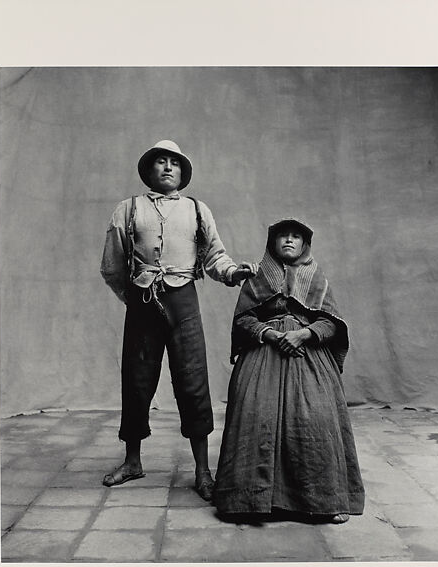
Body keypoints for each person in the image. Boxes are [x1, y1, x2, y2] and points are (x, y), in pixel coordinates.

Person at [100, 140, 257, 500]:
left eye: (174, 162)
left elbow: (216, 254)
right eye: (160, 162)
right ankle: (132, 461)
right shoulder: (129, 209)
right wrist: (135, 297)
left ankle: (203, 471)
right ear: (149, 170)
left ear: (183, 172)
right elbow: (111, 265)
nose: (168, 167)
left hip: (184, 300)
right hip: (142, 302)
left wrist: (233, 273)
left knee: (193, 380)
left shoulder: (197, 210)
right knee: (137, 380)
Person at [213, 218, 365, 523]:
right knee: (255, 414)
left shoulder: (317, 276)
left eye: (296, 236)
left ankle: (323, 499)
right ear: (272, 242)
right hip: (263, 351)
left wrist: (303, 334)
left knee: (315, 418)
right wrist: (271, 334)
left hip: (308, 353)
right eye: (283, 236)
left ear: (305, 244)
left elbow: (331, 322)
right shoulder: (255, 278)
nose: (289, 241)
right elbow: (244, 320)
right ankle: (250, 501)